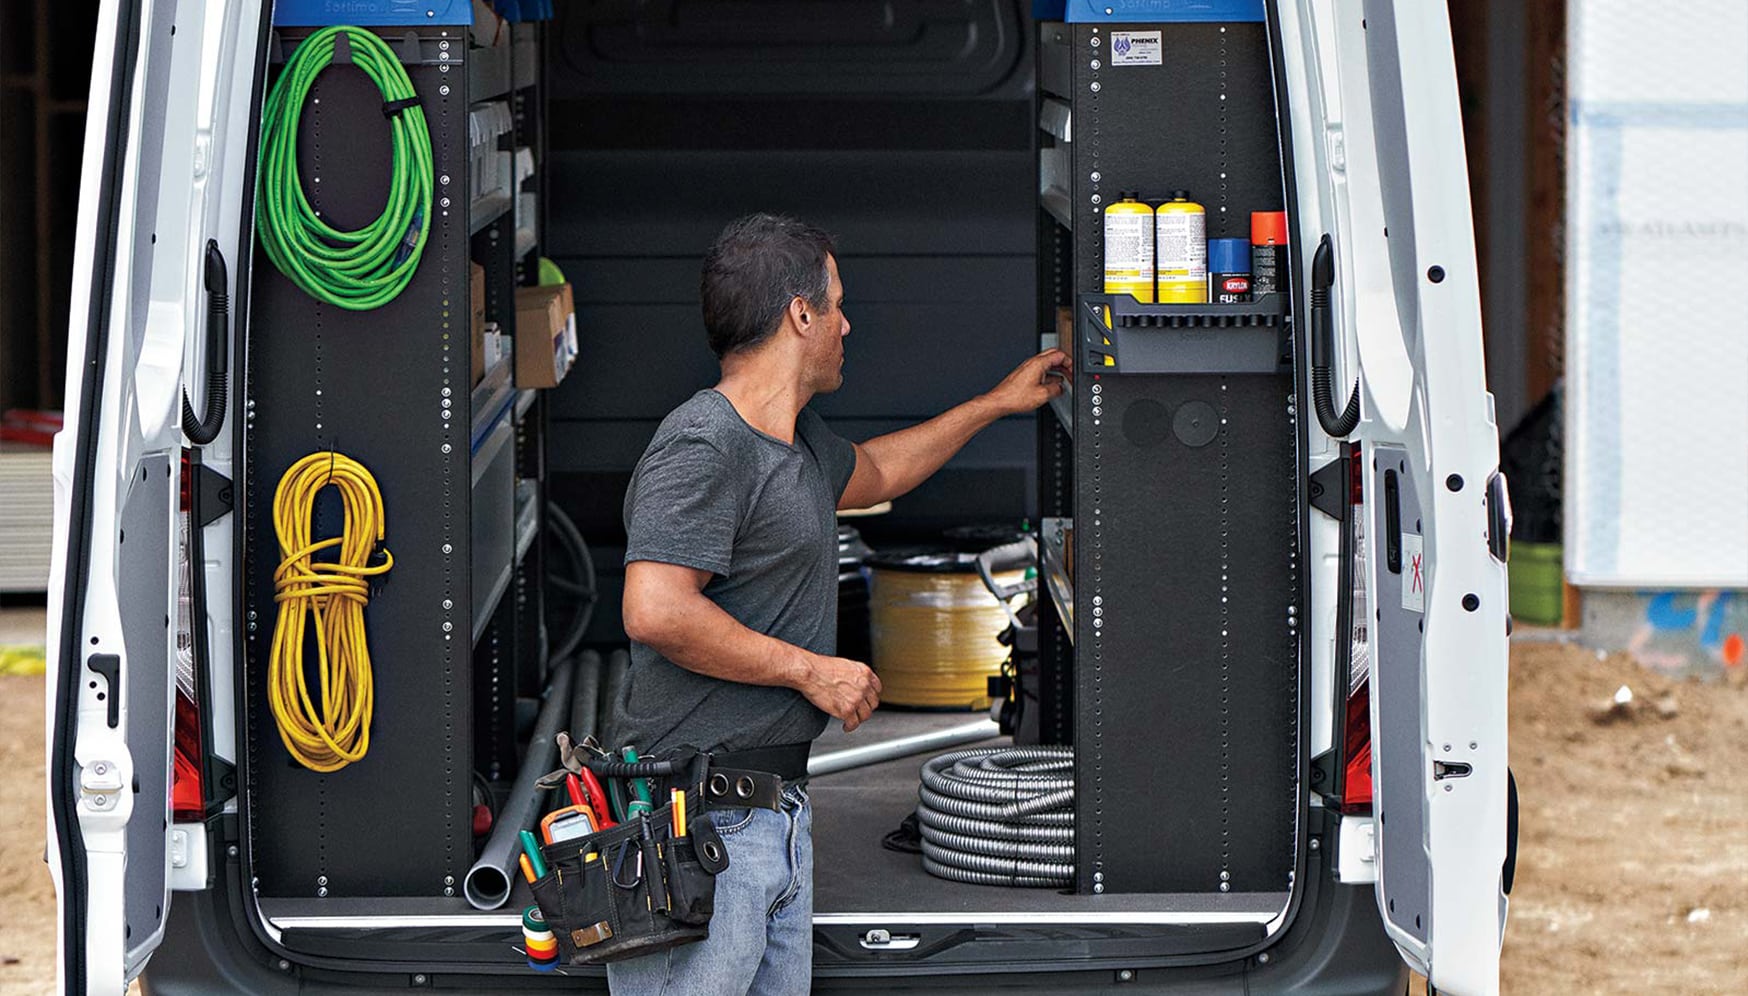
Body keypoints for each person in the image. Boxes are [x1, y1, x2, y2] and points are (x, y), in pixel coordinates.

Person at [607, 213, 1070, 995]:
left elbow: (879, 473)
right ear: (800, 314)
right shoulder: (703, 444)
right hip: (697, 825)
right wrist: (810, 673)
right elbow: (655, 609)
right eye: (839, 304)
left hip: (771, 814)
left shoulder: (796, 442)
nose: (848, 323)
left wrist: (993, 405)